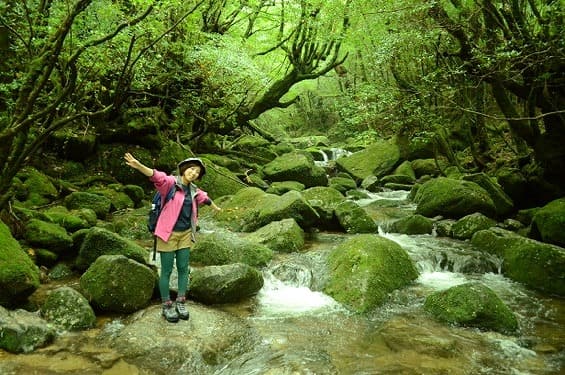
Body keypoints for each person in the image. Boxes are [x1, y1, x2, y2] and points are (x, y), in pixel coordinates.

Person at [124, 152, 221, 323]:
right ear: (184, 169)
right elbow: (156, 176)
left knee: (184, 268)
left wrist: (214, 206)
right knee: (167, 271)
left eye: (197, 172)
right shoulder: (170, 184)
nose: (194, 173)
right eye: (192, 169)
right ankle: (166, 305)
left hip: (185, 234)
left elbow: (204, 197)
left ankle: (181, 301)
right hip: (167, 234)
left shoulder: (193, 190)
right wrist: (139, 166)